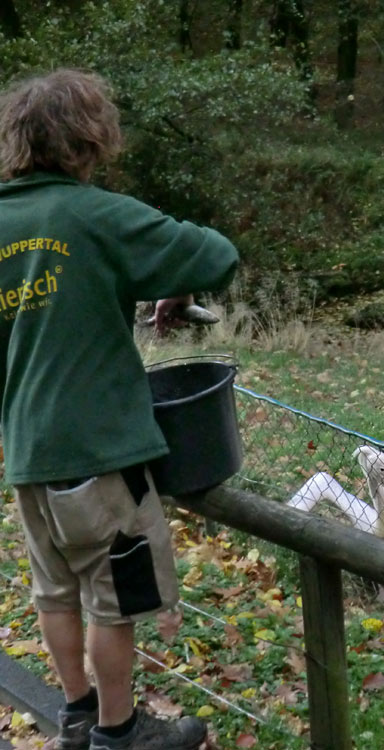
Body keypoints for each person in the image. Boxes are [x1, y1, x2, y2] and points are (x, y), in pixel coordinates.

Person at [0, 69, 239, 750]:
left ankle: (75, 713)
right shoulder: (92, 213)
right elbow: (215, 254)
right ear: (88, 137)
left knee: (55, 591)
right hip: (97, 451)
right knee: (114, 599)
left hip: (27, 452)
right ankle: (118, 731)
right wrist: (167, 274)